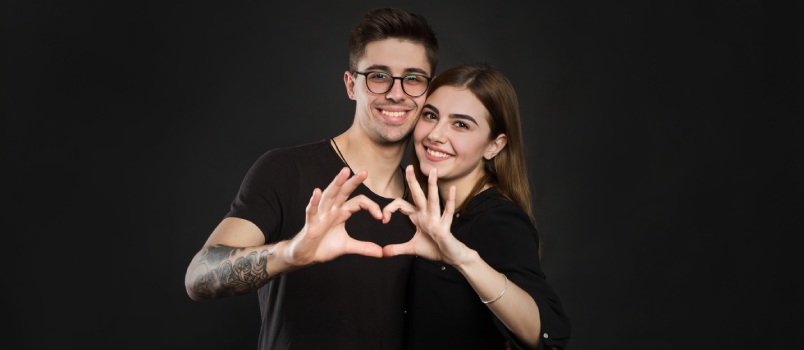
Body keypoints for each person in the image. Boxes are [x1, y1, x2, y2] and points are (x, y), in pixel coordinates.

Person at [184, 7, 438, 350]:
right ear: (351, 85)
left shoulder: (427, 204)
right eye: (378, 76)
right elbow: (199, 275)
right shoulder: (287, 170)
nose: (396, 93)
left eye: (413, 78)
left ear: (427, 92)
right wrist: (291, 253)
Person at [382, 63, 571, 349]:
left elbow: (547, 333)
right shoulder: (415, 204)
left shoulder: (497, 220)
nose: (435, 134)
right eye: (430, 115)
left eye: (461, 124)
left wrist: (462, 258)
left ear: (494, 146)